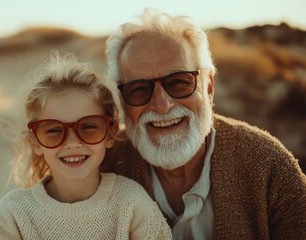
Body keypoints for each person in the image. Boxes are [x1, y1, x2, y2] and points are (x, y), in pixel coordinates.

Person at [100, 8, 306, 239]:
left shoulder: (271, 166)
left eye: (179, 82)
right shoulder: (102, 164)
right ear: (121, 100)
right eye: (138, 89)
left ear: (208, 87)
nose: (161, 105)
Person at [0, 51, 172, 240]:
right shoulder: (14, 212)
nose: (72, 143)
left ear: (110, 133)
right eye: (53, 130)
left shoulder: (131, 202)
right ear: (34, 142)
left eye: (89, 126)